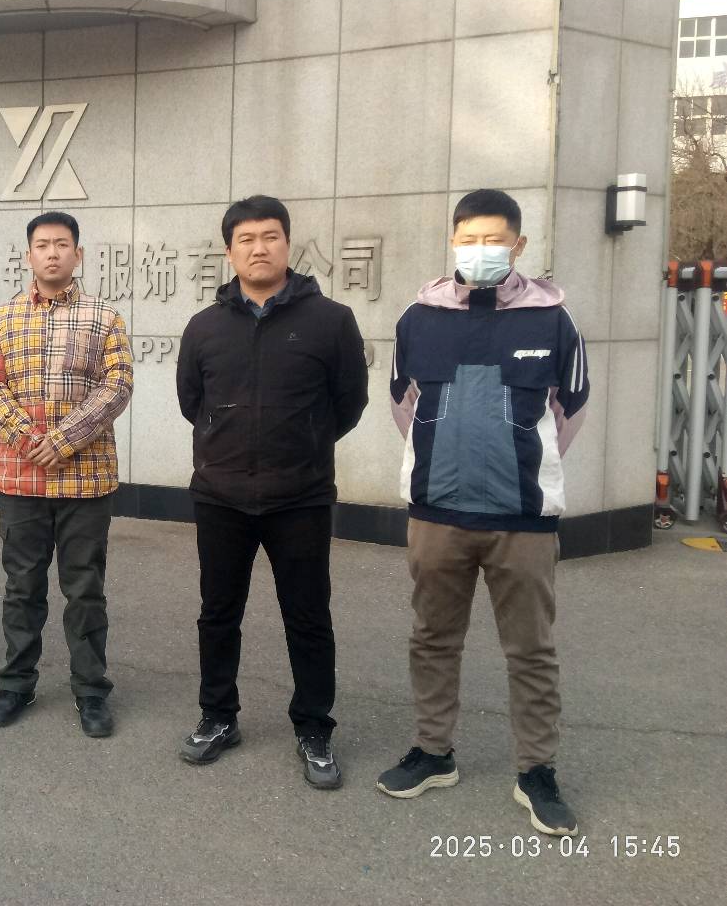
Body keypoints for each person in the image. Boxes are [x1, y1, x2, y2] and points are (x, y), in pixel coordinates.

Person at [375, 189, 589, 837]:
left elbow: (570, 411)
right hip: (437, 515)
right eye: (468, 239)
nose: (480, 250)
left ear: (518, 245)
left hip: (522, 519)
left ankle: (536, 770)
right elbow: (403, 403)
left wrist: (519, 465)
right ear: (452, 241)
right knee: (432, 639)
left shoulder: (552, 321)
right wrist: (441, 465)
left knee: (530, 650)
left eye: (493, 240)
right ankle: (433, 752)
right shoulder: (418, 318)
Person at [175, 196, 368, 786]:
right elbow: (191, 401)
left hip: (300, 497)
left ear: (288, 243)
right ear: (229, 250)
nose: (259, 248)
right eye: (246, 239)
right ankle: (218, 716)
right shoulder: (204, 327)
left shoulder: (331, 320)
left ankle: (314, 727)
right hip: (221, 495)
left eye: (270, 236)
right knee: (218, 614)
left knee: (307, 617)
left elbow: (349, 402)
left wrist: (303, 443)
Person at [0, 211, 133, 737]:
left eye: (62, 244)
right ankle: (16, 684)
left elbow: (117, 386)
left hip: (86, 481)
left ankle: (91, 692)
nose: (52, 253)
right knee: (22, 588)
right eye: (42, 245)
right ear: (28, 256)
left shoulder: (104, 317)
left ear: (78, 254)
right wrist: (29, 440)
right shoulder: (4, 318)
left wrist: (62, 441)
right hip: (21, 481)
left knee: (85, 590)